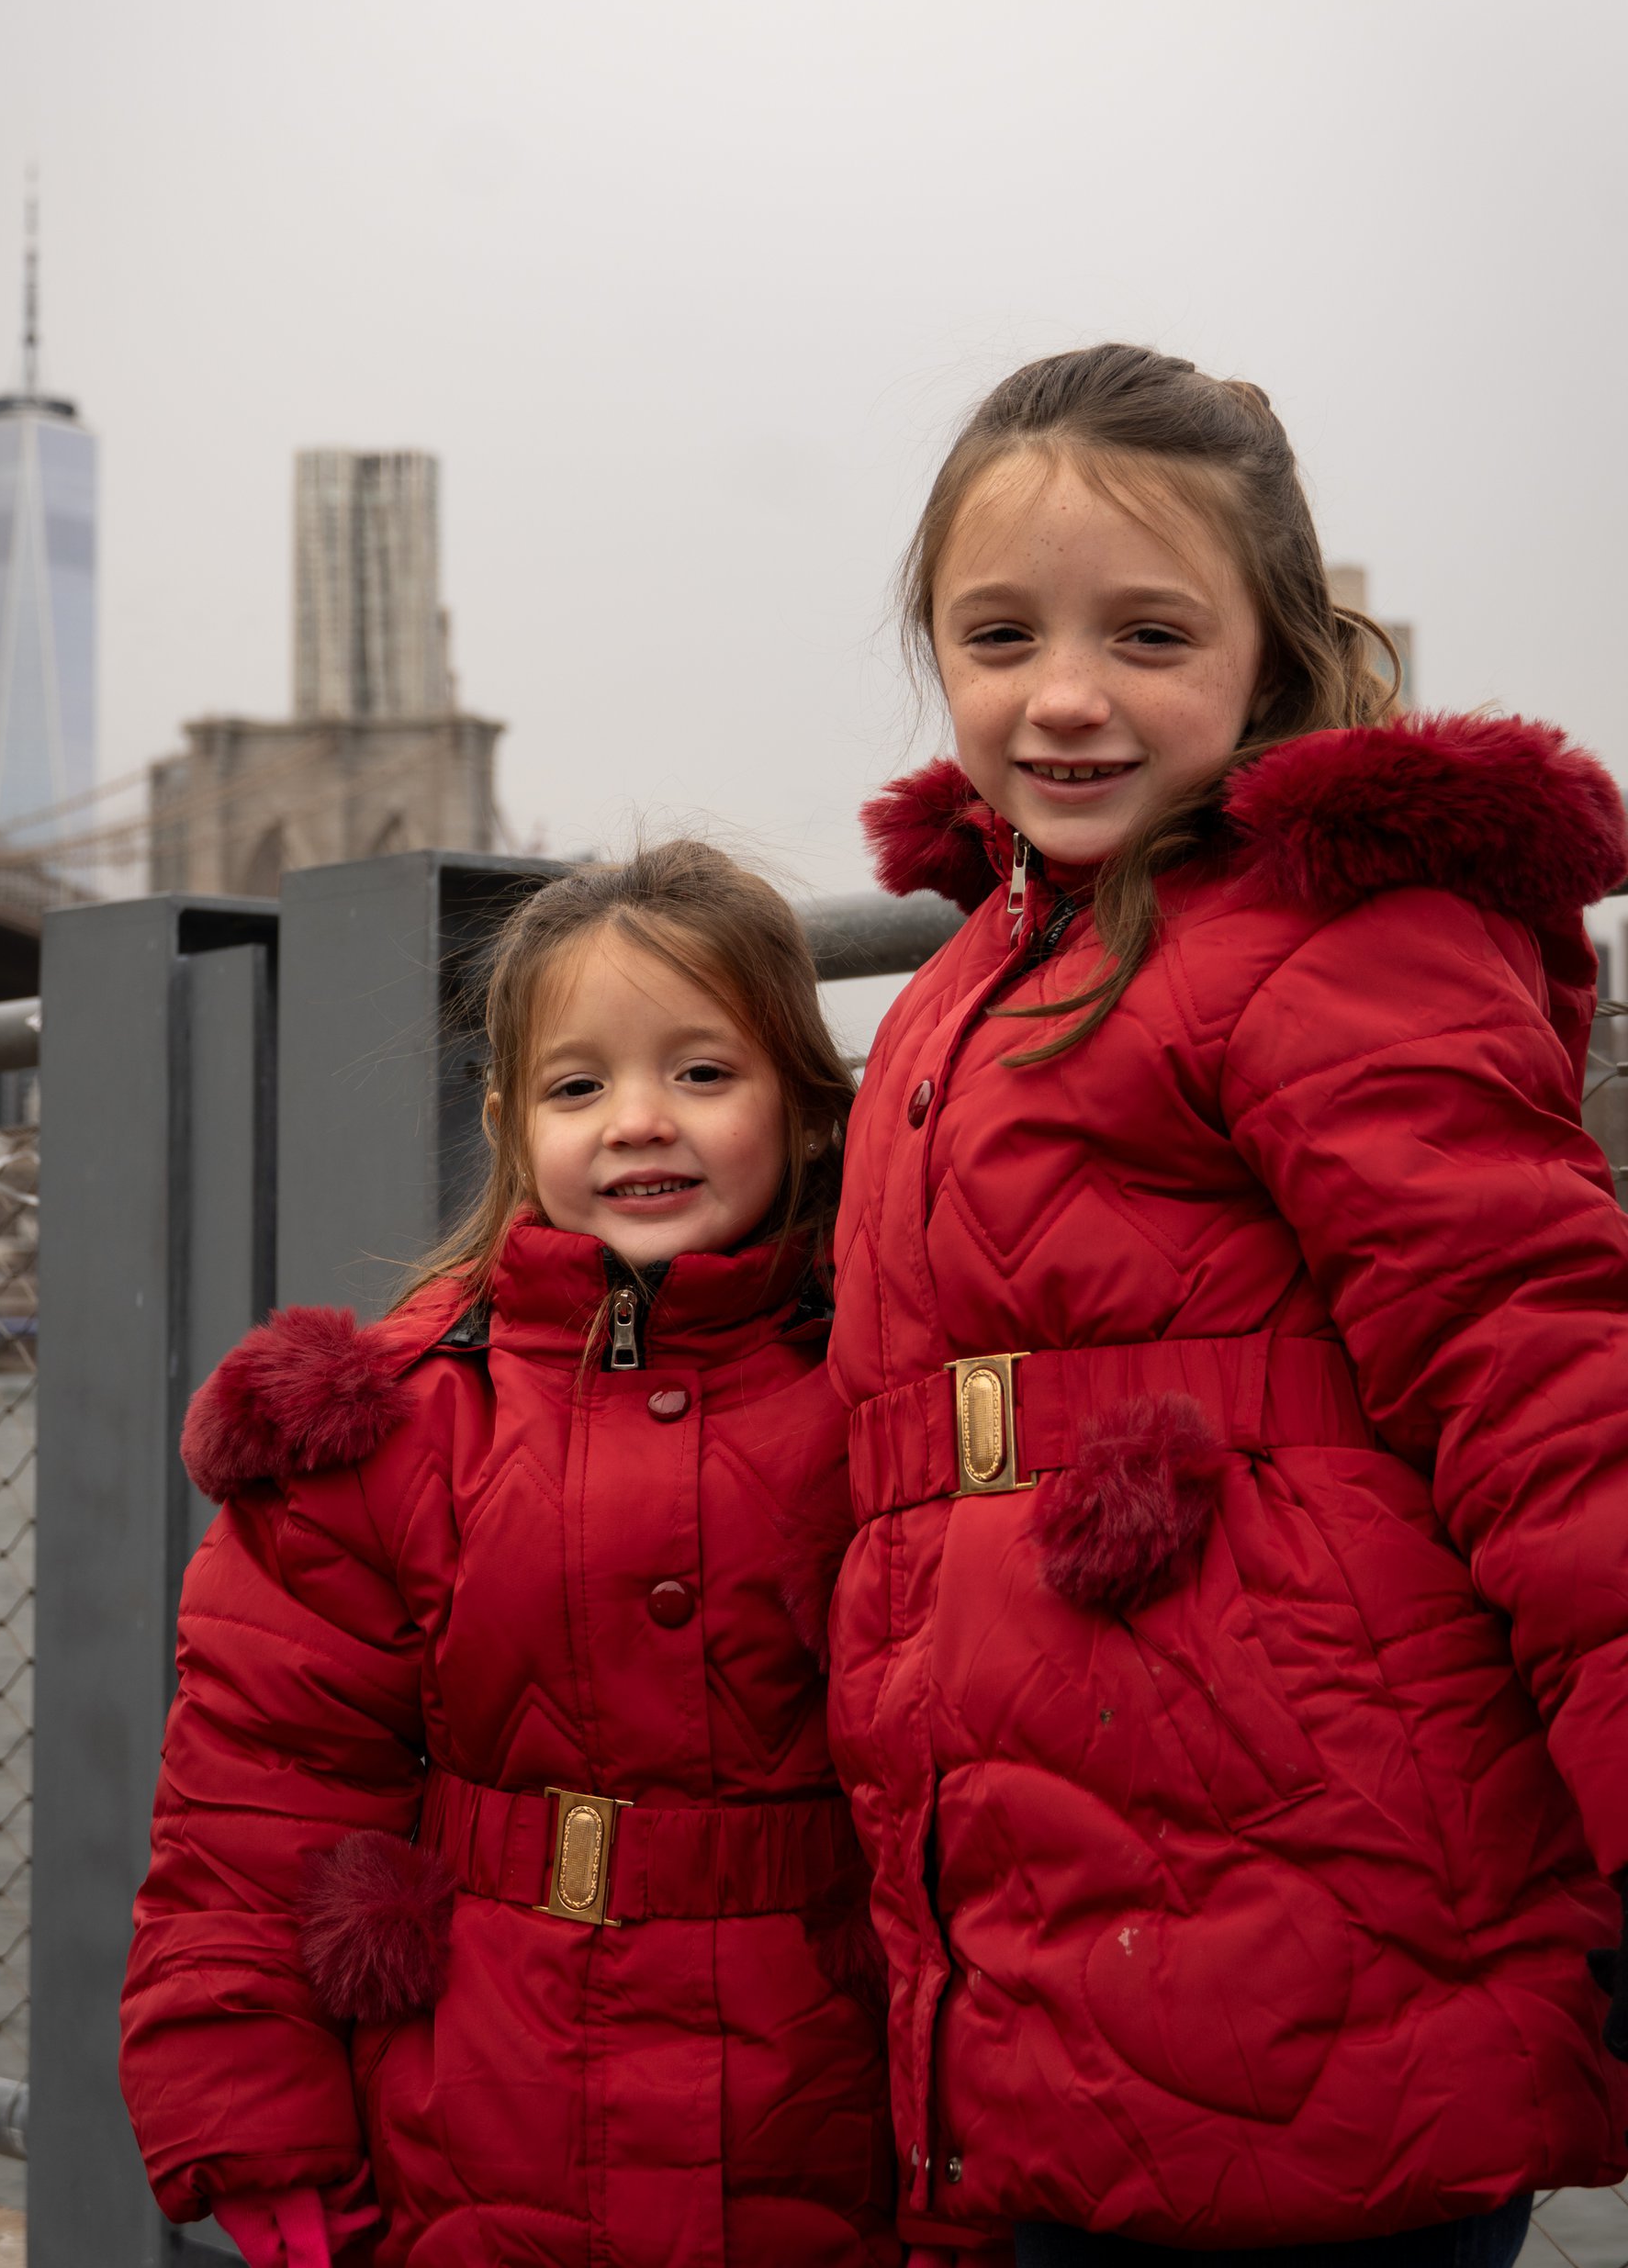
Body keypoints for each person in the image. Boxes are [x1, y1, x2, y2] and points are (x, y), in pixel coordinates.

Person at [825, 343, 1628, 2268]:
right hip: (1048, 1948)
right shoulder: (954, 998)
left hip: (1329, 1942)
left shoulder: (1334, 941)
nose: (1065, 694)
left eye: (1150, 634)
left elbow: (1545, 1384)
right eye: (999, 635)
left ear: (1270, 656)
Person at [119, 841, 899, 2268]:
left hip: (832, 2113)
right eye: (577, 1086)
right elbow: (258, 1803)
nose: (639, 1122)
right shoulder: (391, 1427)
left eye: (703, 1073)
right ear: (508, 1123)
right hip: (484, 2114)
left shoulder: (888, 1397)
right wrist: (260, 2125)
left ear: (803, 1110)